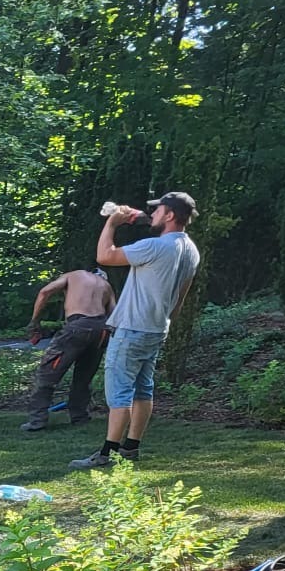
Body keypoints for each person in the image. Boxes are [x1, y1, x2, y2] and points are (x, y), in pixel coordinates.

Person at [73, 191, 200, 469]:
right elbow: (180, 297)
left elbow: (104, 256)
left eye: (157, 210)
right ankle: (131, 448)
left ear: (169, 215)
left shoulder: (156, 246)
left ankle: (106, 454)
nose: (152, 214)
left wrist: (112, 223)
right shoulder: (191, 250)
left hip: (132, 328)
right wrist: (163, 321)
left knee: (119, 392)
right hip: (156, 329)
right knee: (143, 390)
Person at [22, 267, 115, 431]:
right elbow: (114, 314)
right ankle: (80, 417)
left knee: (47, 373)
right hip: (101, 330)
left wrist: (35, 321)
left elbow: (45, 292)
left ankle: (37, 421)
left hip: (77, 327)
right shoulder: (106, 285)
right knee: (83, 378)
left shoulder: (73, 275)